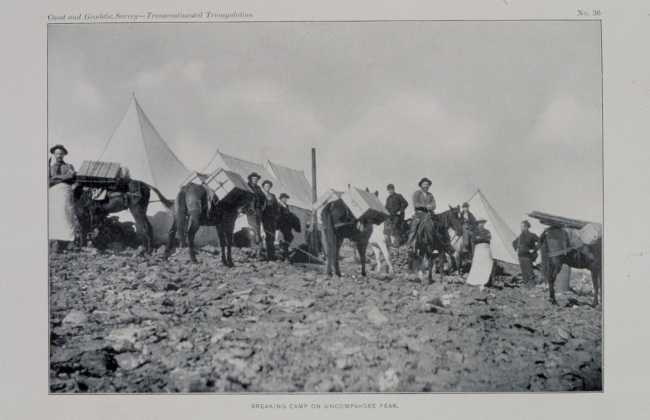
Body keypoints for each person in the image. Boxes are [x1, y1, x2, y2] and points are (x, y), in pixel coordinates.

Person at [48, 145, 79, 252]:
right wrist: (64, 178)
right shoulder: (50, 167)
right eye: (57, 153)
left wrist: (55, 177)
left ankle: (70, 242)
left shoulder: (69, 166)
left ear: (64, 154)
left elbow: (71, 178)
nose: (59, 155)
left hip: (66, 192)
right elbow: (48, 181)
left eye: (61, 153)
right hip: (53, 193)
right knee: (55, 216)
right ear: (54, 154)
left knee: (67, 215)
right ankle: (55, 243)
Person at [405, 177, 436, 254]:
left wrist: (431, 207)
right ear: (421, 185)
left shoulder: (430, 195)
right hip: (418, 214)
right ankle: (410, 247)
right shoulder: (416, 193)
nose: (426, 186)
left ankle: (431, 247)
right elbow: (415, 204)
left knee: (431, 229)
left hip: (427, 215)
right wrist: (425, 206)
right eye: (424, 184)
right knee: (413, 228)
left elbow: (434, 205)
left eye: (427, 184)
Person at [512, 220, 540, 289]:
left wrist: (534, 249)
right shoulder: (520, 236)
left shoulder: (532, 235)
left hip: (528, 257)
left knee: (529, 272)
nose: (520, 228)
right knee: (524, 273)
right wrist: (516, 249)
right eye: (520, 226)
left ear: (526, 227)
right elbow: (514, 243)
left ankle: (531, 287)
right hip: (521, 256)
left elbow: (541, 241)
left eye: (522, 227)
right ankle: (526, 287)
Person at [466, 219, 494, 286]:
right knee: (478, 263)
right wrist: (482, 238)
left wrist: (480, 238)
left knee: (487, 263)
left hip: (486, 248)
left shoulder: (487, 231)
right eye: (480, 223)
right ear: (478, 224)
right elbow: (474, 239)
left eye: (482, 223)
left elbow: (489, 238)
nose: (481, 225)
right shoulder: (475, 232)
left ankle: (486, 280)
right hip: (479, 249)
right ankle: (476, 280)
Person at [246, 172, 266, 255]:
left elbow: (263, 198)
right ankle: (254, 249)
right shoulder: (247, 187)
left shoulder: (258, 188)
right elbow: (245, 198)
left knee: (258, 229)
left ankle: (258, 250)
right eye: (254, 178)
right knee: (254, 229)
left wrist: (262, 207)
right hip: (251, 210)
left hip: (258, 210)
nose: (255, 180)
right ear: (250, 179)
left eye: (256, 178)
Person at [260, 180, 280, 261]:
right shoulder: (260, 195)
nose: (267, 188)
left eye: (269, 186)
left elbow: (276, 206)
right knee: (267, 234)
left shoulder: (272, 196)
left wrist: (276, 216)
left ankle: (271, 255)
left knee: (272, 235)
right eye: (266, 186)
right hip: (264, 216)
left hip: (272, 217)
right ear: (263, 187)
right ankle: (268, 255)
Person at [277, 193, 295, 259]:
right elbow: (279, 215)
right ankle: (283, 248)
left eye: (286, 198)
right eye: (283, 198)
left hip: (288, 224)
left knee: (288, 237)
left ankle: (285, 251)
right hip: (282, 223)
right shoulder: (279, 205)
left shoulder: (286, 206)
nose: (285, 199)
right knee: (289, 236)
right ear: (281, 199)